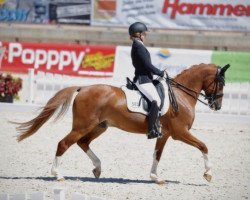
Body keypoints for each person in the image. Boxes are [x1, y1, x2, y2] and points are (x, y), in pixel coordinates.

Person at [129, 22, 165, 139]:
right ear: (138, 34)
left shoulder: (138, 45)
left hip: (145, 78)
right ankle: (151, 130)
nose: (145, 35)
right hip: (142, 79)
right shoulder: (138, 46)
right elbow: (147, 65)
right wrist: (159, 72)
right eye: (144, 33)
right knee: (156, 100)